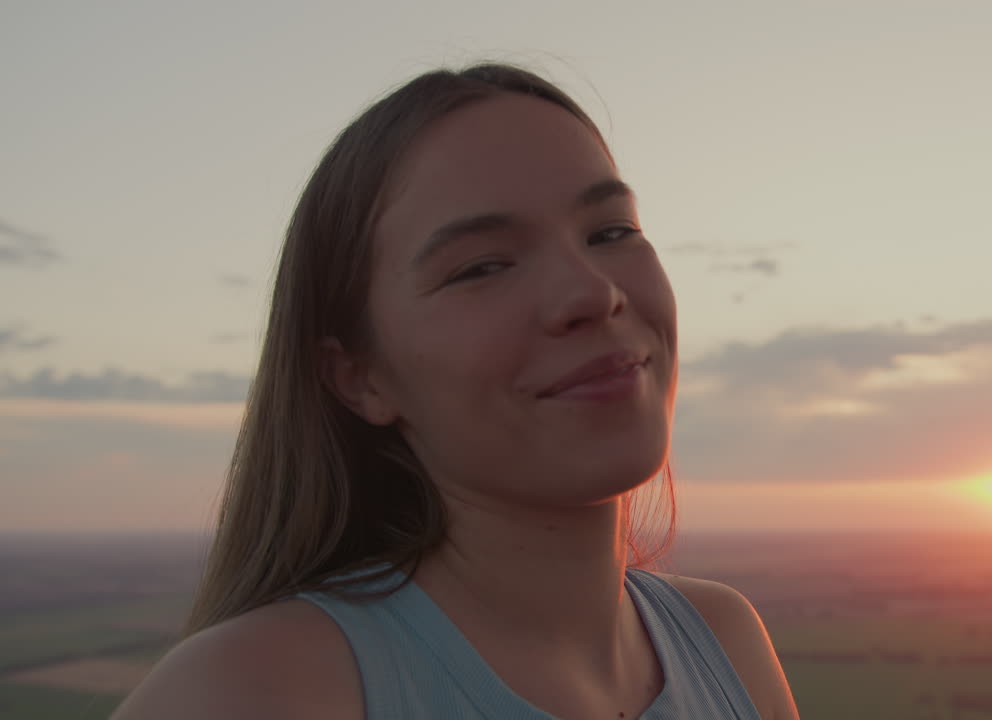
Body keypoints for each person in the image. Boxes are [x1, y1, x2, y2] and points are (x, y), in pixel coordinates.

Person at [113, 63, 799, 720]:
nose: (592, 292)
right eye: (481, 267)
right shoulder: (256, 693)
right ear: (360, 376)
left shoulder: (725, 644)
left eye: (611, 230)